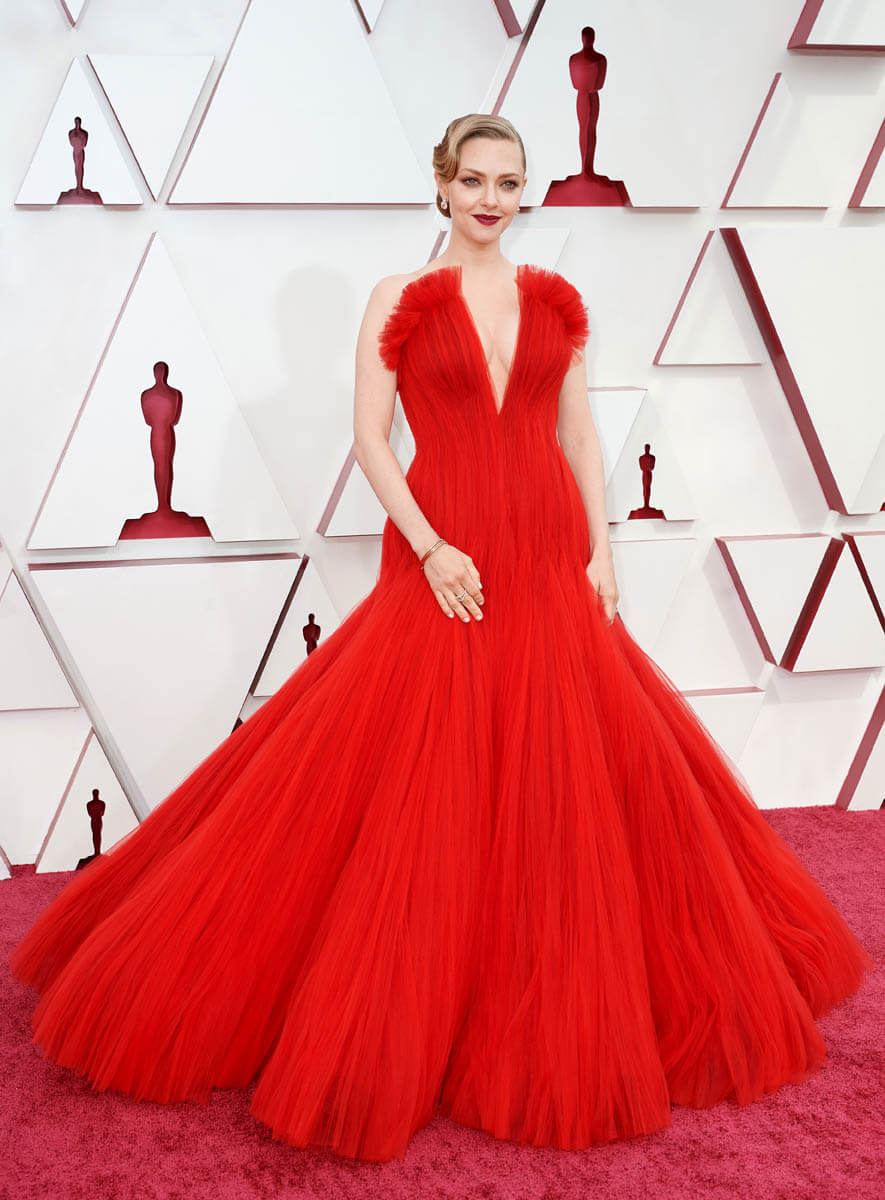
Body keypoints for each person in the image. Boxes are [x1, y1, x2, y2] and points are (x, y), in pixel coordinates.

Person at [8, 114, 873, 1164]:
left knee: (562, 783)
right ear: (443, 184)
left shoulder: (554, 301)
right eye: (474, 179)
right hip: (446, 553)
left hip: (548, 552)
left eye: (509, 181)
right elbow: (372, 440)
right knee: (425, 778)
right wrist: (430, 547)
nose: (492, 198)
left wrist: (602, 553)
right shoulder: (400, 300)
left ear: (526, 191)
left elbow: (580, 434)